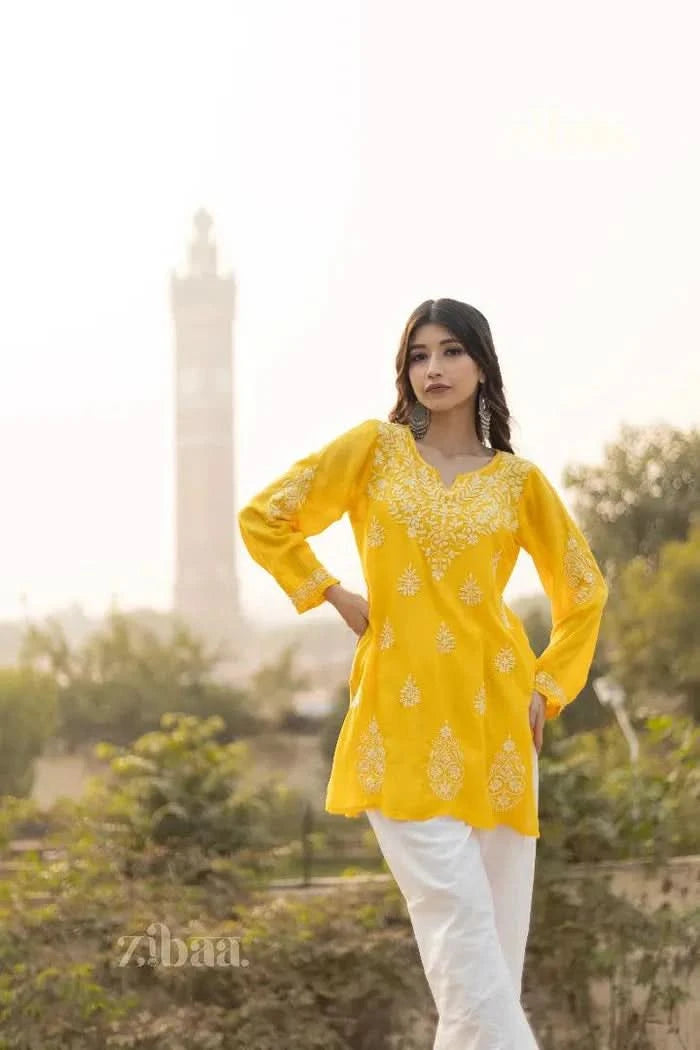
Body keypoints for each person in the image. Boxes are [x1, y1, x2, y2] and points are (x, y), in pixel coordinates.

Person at [237, 297, 609, 1049]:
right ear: (404, 370)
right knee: (458, 921)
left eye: (451, 352)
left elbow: (585, 592)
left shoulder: (518, 482)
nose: (433, 369)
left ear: (481, 365)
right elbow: (266, 516)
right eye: (418, 355)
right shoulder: (374, 451)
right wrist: (331, 592)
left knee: (487, 955)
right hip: (398, 723)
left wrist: (548, 687)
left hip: (498, 725)